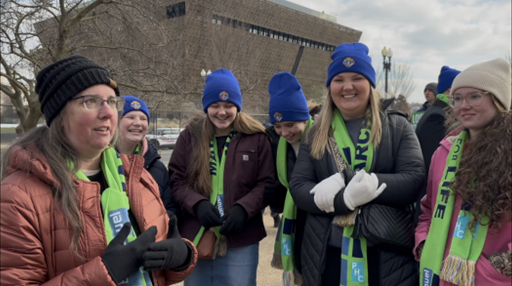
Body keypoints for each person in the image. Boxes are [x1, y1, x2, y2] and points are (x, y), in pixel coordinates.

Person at [0, 55, 197, 285]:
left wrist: (182, 256)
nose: (108, 112)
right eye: (91, 101)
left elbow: (159, 273)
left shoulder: (136, 176)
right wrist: (104, 274)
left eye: (112, 102)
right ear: (60, 115)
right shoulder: (17, 197)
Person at [289, 43, 425, 286]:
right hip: (326, 254)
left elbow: (413, 180)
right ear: (330, 87)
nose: (347, 86)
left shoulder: (397, 127)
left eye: (357, 78)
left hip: (385, 255)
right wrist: (343, 201)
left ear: (370, 84)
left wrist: (347, 179)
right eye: (339, 79)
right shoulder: (315, 133)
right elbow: (299, 188)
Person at [168, 68, 275, 286]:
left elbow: (267, 183)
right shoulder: (190, 136)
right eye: (215, 105)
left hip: (242, 235)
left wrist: (243, 209)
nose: (222, 112)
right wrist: (197, 204)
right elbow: (177, 180)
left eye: (228, 105)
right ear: (206, 107)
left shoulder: (256, 137)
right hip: (198, 231)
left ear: (238, 106)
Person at [415, 58, 512, 285]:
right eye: (457, 98)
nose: (463, 105)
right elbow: (428, 208)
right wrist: (424, 242)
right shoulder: (444, 152)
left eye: (475, 96)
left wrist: (501, 265)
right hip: (440, 271)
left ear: (498, 100)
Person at [265, 72, 314, 285]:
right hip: (293, 218)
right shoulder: (275, 143)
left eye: (290, 125)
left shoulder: (321, 140)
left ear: (305, 118)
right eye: (278, 126)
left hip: (315, 222)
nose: (284, 132)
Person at [117, 95, 178, 219]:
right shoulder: (98, 162)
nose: (138, 123)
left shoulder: (157, 168)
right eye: (130, 117)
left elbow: (170, 208)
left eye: (143, 118)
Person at [414, 66, 460, 224]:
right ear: (450, 90)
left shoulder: (441, 112)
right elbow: (433, 167)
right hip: (434, 205)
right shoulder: (437, 116)